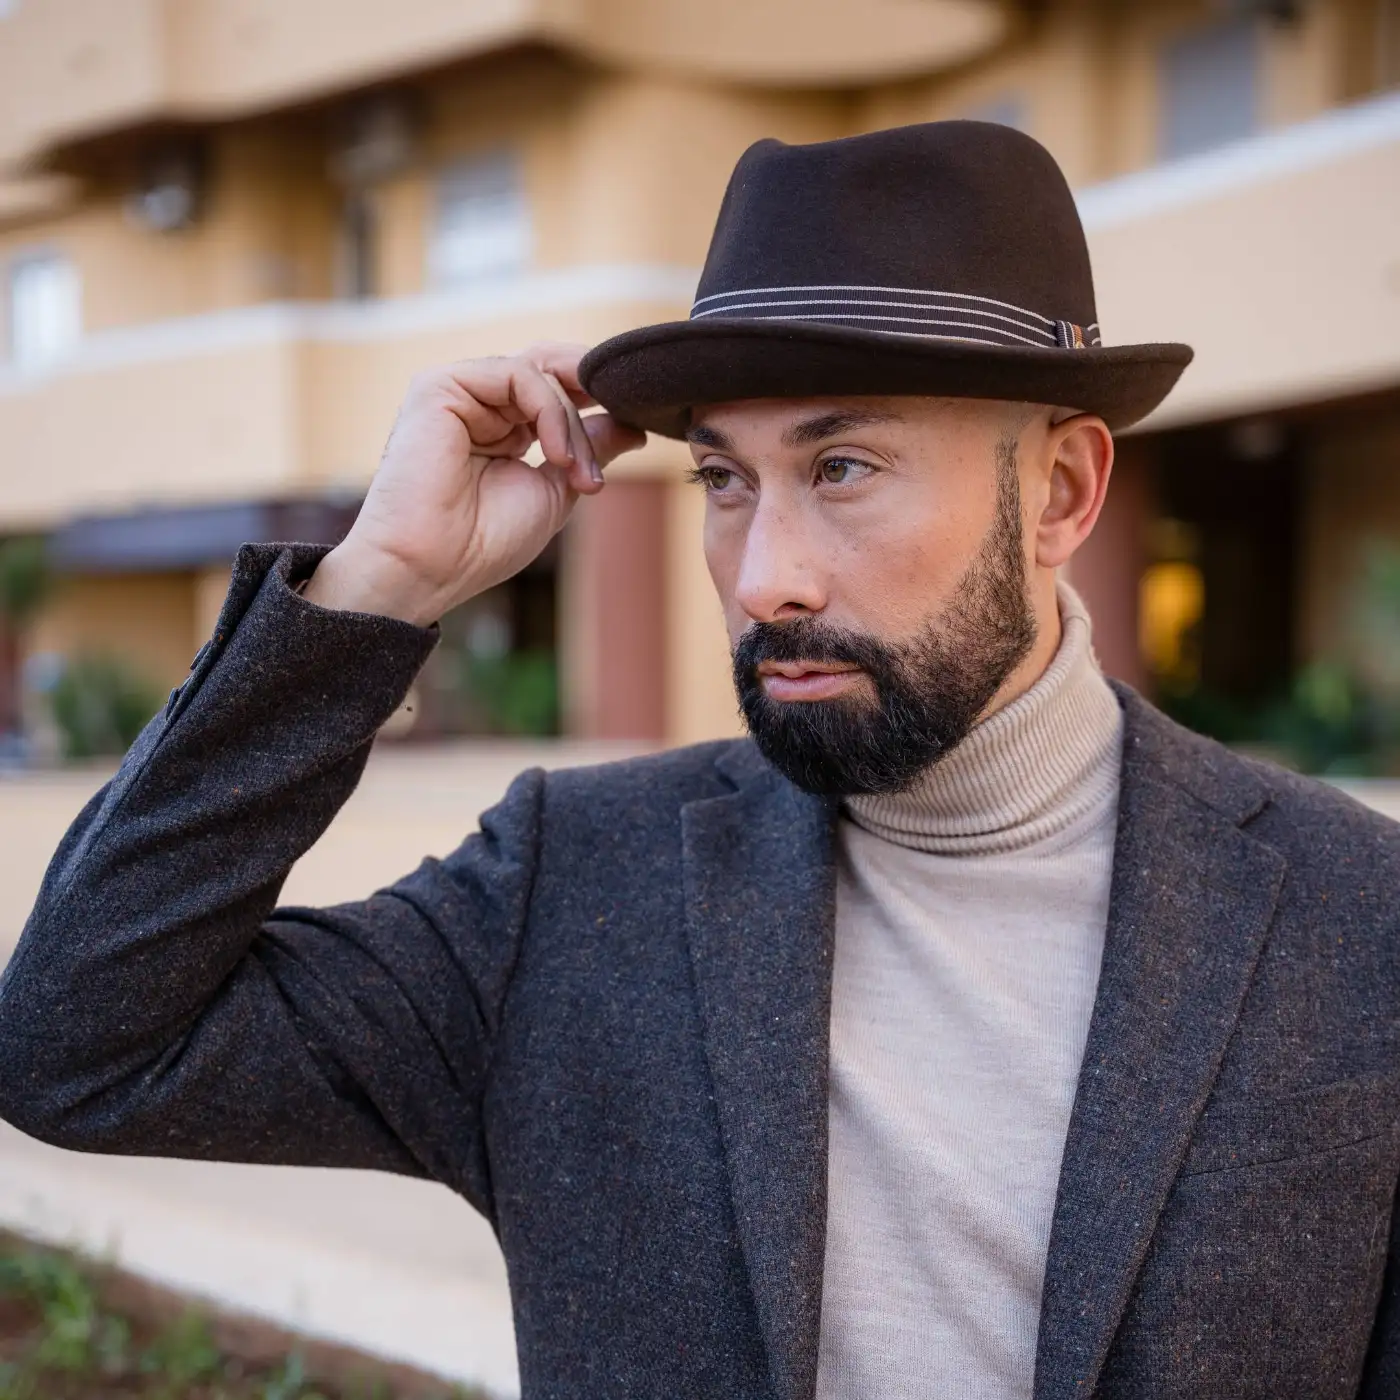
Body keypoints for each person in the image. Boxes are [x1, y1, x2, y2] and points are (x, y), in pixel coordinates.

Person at [0, 120, 1397, 1400]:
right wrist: (382, 584)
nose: (763, 576)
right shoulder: (569, 888)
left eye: (842, 466)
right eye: (724, 481)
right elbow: (79, 1046)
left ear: (1066, 492)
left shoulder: (1357, 919)